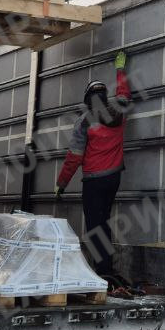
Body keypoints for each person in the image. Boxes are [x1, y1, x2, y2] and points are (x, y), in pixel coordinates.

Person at [55, 50, 130, 278]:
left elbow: (74, 157)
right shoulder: (119, 111)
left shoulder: (83, 122)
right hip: (114, 178)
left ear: (87, 99)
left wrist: (61, 183)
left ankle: (104, 271)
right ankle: (105, 266)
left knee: (96, 225)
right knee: (103, 222)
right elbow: (125, 93)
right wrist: (120, 69)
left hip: (94, 181)